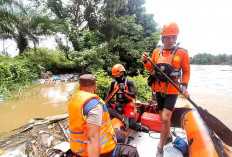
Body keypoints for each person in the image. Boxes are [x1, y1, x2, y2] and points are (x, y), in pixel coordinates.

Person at [141, 22, 190, 157]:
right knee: (163, 119)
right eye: (168, 37)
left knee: (165, 117)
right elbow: (152, 68)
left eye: (173, 37)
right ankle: (168, 136)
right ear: (162, 38)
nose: (171, 40)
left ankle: (160, 145)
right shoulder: (157, 52)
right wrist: (146, 61)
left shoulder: (182, 53)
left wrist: (184, 86)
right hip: (159, 89)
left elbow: (186, 71)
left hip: (173, 90)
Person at [68, 74, 139, 157]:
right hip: (93, 149)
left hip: (78, 144)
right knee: (132, 152)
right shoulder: (94, 105)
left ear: (80, 87)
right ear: (95, 87)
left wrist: (124, 91)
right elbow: (92, 137)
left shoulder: (74, 100)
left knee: (120, 134)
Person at [105, 64, 149, 133]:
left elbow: (133, 96)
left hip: (127, 105)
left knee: (132, 125)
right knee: (105, 106)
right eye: (115, 76)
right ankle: (122, 118)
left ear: (122, 73)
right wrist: (105, 103)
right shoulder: (114, 83)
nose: (116, 77)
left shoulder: (129, 82)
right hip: (118, 104)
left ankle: (139, 127)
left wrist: (124, 91)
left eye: (118, 75)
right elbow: (109, 95)